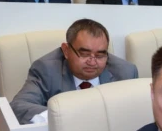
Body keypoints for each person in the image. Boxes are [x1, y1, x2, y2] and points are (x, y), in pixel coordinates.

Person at [10, 19, 138, 124]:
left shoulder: (126, 73)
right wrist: (62, 118)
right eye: (84, 54)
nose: (92, 62)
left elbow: (135, 113)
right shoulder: (46, 70)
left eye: (100, 55)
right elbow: (18, 106)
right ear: (66, 50)